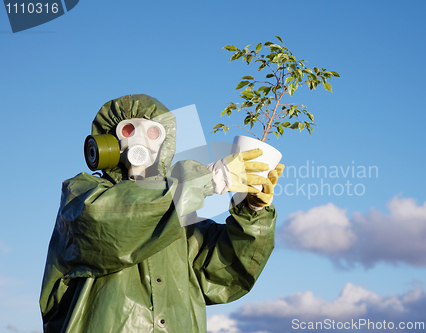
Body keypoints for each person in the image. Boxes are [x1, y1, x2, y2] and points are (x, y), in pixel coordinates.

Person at [39, 94, 284, 333]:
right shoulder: (82, 197)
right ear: (106, 141)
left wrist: (252, 211)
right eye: (128, 130)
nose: (140, 140)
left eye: (153, 132)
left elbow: (226, 272)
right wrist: (207, 178)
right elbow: (112, 222)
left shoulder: (180, 220)